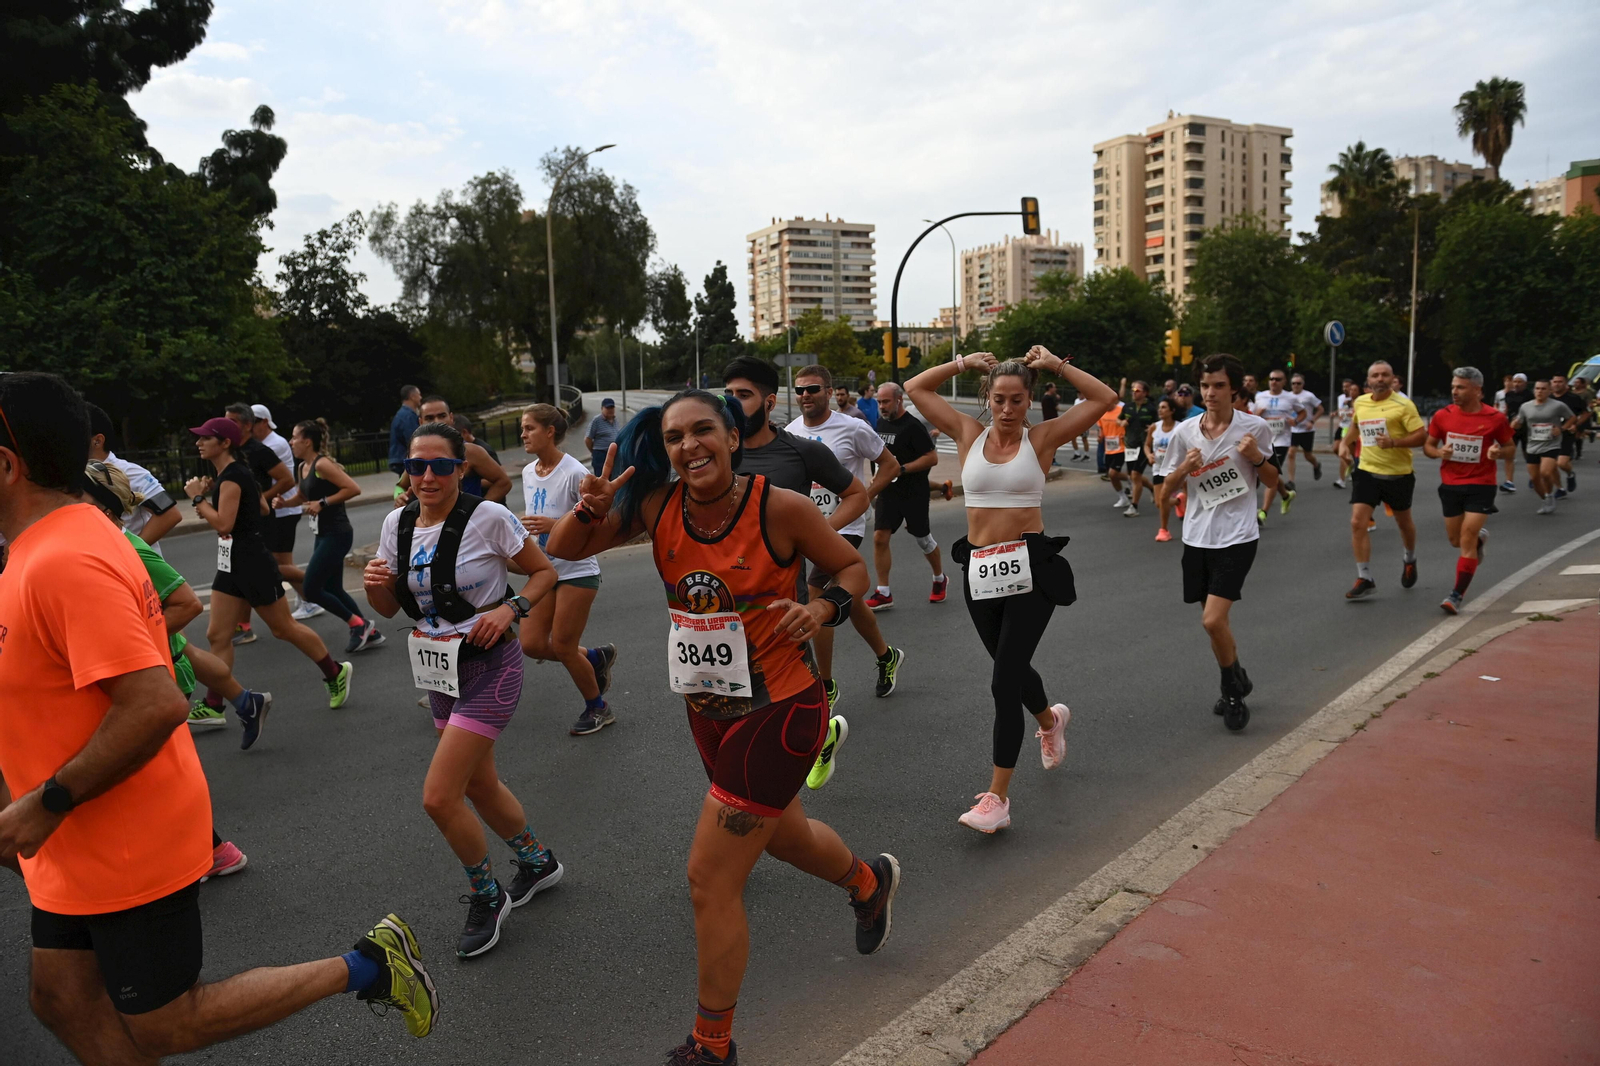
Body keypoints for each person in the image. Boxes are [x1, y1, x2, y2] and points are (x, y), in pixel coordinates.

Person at [0, 372, 437, 1060]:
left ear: (6, 465)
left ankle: (368, 965)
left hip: (121, 841)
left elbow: (154, 703)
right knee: (58, 1000)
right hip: (70, 843)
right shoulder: (46, 545)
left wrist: (44, 803)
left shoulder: (62, 559)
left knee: (166, 1023)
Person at [547, 390, 901, 1066]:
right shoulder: (657, 506)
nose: (689, 446)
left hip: (781, 709)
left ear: (733, 438)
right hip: (707, 708)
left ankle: (712, 1047)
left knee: (710, 878)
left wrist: (822, 609)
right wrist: (590, 506)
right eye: (676, 437)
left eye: (704, 431)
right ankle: (867, 883)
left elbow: (851, 567)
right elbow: (563, 550)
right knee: (786, 838)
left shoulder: (780, 507)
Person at [364, 421, 564, 958]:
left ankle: (487, 893)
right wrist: (375, 590)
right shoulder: (395, 524)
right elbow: (388, 609)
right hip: (438, 671)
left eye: (441, 466)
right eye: (416, 466)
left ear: (461, 469)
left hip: (491, 665)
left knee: (439, 796)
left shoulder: (488, 518)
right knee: (479, 784)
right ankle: (537, 861)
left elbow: (543, 575)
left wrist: (510, 608)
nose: (427, 476)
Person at [907, 347, 1114, 830]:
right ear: (987, 397)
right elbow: (917, 389)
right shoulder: (966, 433)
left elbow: (1103, 397)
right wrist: (962, 363)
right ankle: (1050, 720)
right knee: (1011, 669)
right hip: (979, 569)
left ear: (1028, 401)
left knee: (1003, 682)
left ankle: (996, 799)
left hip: (1030, 569)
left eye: (1017, 400)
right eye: (999, 399)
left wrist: (1057, 365)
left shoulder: (1041, 438)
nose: (1006, 410)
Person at [79, 461, 260, 879]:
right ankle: (208, 850)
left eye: (78, 495)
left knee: (153, 774)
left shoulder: (132, 549)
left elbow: (188, 604)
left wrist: (136, 644)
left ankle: (213, 851)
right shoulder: (104, 546)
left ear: (104, 506)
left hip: (164, 678)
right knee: (153, 773)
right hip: (159, 671)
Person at [184, 416, 355, 713]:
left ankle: (335, 672)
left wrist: (199, 499)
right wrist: (217, 499)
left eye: (205, 438)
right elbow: (261, 508)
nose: (198, 443)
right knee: (217, 635)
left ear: (225, 443)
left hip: (250, 561)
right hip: (231, 562)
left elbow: (224, 523)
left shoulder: (233, 476)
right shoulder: (235, 474)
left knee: (283, 628)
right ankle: (214, 705)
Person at [1154, 354, 1278, 731]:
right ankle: (1237, 674)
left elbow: (1273, 481)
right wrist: (1183, 469)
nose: (1210, 392)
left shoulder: (1254, 428)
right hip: (1196, 537)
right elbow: (1164, 490)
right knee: (1214, 626)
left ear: (1235, 388)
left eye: (1219, 385)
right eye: (1205, 385)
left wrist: (1256, 459)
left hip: (1239, 536)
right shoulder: (1185, 432)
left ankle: (1232, 692)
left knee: (1213, 619)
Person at [788, 365, 907, 712]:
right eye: (799, 390)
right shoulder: (791, 432)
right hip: (805, 529)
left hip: (844, 527)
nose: (805, 395)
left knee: (816, 596)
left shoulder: (852, 427)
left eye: (812, 389)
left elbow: (891, 466)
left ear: (829, 391)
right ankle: (887, 657)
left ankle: (825, 685)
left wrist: (863, 496)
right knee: (847, 599)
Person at [518, 403, 619, 736]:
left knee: (562, 645)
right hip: (544, 569)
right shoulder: (527, 472)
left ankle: (598, 708)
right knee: (530, 643)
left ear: (550, 432)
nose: (523, 434)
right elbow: (536, 515)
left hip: (577, 569)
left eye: (529, 428)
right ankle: (592, 657)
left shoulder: (575, 472)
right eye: (522, 428)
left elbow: (595, 523)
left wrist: (555, 523)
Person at [290, 419, 385, 653]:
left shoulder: (322, 465)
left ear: (307, 441)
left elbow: (353, 488)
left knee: (311, 588)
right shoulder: (302, 466)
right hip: (321, 534)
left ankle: (358, 625)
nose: (291, 442)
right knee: (333, 589)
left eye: (294, 437)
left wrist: (323, 503)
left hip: (337, 533)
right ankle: (369, 632)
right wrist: (283, 503)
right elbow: (304, 495)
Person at [1423, 368, 1513, 614]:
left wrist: (1498, 452)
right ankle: (1480, 539)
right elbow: (1428, 447)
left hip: (1481, 485)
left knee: (1466, 538)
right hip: (1451, 484)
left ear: (1477, 390)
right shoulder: (1443, 416)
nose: (1454, 391)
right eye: (1453, 386)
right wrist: (1439, 452)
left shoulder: (1495, 418)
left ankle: (1456, 595)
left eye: (1461, 387)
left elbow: (1510, 448)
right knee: (1455, 540)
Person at [1338, 361, 1426, 599]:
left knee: (1403, 522)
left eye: (1385, 375)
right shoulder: (1361, 402)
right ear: (1368, 381)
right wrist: (1345, 444)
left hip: (1398, 474)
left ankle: (1409, 558)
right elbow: (1355, 426)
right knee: (1357, 522)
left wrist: (1394, 442)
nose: (1380, 379)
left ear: (1391, 378)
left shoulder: (1403, 405)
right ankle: (1365, 577)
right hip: (1367, 471)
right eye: (1375, 375)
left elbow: (1421, 435)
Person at [865, 382, 947, 610]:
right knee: (879, 537)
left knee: (923, 539)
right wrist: (876, 476)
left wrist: (901, 469)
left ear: (899, 400)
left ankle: (940, 578)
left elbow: (932, 458)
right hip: (888, 492)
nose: (881, 406)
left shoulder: (913, 426)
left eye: (886, 401)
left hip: (914, 492)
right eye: (879, 402)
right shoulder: (881, 423)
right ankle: (884, 592)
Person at [222, 402, 299, 642]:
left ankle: (320, 584)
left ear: (247, 425)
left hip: (260, 524)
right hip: (239, 527)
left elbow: (287, 479)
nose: (227, 426)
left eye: (232, 421)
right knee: (242, 571)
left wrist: (258, 501)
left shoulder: (259, 450)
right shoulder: (232, 451)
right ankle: (243, 625)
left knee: (267, 569)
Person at [85, 402, 181, 553]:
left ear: (97, 440)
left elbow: (170, 514)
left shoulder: (131, 473)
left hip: (139, 569)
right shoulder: (74, 475)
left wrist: (131, 551)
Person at [252, 404, 315, 619]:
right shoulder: (264, 443)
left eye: (251, 423)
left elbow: (282, 479)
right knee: (279, 562)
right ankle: (309, 596)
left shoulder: (274, 444)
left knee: (282, 563)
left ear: (262, 422)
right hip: (278, 510)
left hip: (284, 510)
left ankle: (313, 595)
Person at [400, 396, 511, 503]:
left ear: (451, 418)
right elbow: (400, 486)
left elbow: (503, 482)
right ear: (420, 422)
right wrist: (399, 497)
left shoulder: (471, 451)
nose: (437, 421)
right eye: (429, 418)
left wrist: (477, 511)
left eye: (442, 416)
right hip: (428, 520)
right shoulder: (417, 453)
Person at [1510, 379, 1569, 514]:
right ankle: (1546, 499)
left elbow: (1571, 418)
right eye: (1537, 389)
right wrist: (1515, 425)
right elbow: (1519, 421)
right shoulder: (1526, 406)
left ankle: (1549, 493)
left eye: (1543, 389)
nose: (1539, 391)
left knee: (1546, 472)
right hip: (1532, 445)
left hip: (1551, 444)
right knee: (1535, 479)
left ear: (1549, 391)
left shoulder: (1558, 405)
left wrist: (1561, 428)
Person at [1251, 370, 1297, 521]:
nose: (1274, 382)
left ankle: (1263, 512)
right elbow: (1252, 418)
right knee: (1268, 473)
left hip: (1281, 441)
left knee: (1272, 474)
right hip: (1262, 440)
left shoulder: (1291, 397)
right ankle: (1285, 495)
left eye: (1278, 379)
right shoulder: (1260, 396)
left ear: (1284, 382)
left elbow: (1302, 412)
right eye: (1271, 379)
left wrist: (1295, 421)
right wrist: (1259, 413)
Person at [1118, 380, 1159, 517]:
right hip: (1130, 445)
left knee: (1135, 475)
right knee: (1134, 476)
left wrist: (1153, 428)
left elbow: (1160, 424)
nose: (1134, 392)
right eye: (1132, 390)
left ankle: (1134, 506)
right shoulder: (1127, 407)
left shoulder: (1152, 408)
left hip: (1144, 446)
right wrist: (1121, 422)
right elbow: (1119, 419)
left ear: (1145, 393)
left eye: (1137, 390)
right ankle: (1152, 488)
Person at [1147, 397, 1181, 542]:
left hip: (1175, 469)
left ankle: (1164, 530)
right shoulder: (1154, 427)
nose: (1160, 410)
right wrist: (1149, 455)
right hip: (1158, 468)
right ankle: (1179, 502)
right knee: (1159, 503)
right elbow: (1146, 444)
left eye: (1164, 407)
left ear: (1172, 411)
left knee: (1163, 498)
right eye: (1159, 407)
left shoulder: (1180, 427)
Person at [1549, 373, 1590, 493]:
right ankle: (1559, 488)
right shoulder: (1548, 398)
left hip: (1566, 433)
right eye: (1555, 381)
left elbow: (1586, 413)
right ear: (1551, 383)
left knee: (1561, 463)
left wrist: (1576, 425)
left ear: (1566, 384)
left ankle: (1570, 474)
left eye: (1560, 382)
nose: (1557, 384)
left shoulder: (1573, 398)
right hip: (1548, 434)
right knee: (1550, 464)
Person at [1286, 374, 1324, 485]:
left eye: (1299, 383)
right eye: (1293, 383)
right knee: (1291, 453)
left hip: (1306, 430)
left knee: (1307, 455)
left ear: (1303, 384)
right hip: (1293, 430)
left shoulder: (1309, 396)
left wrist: (1312, 421)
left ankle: (1316, 465)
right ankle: (1291, 481)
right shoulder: (1287, 396)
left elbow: (1321, 409)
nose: (1296, 385)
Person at [1499, 373, 1532, 492]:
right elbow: (1507, 410)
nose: (1517, 384)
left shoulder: (1530, 395)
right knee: (1509, 454)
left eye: (1520, 382)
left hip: (1527, 428)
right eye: (1515, 382)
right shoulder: (1509, 394)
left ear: (1525, 383)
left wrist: (1521, 420)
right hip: (1511, 427)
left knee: (1527, 454)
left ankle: (1534, 476)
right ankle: (1509, 482)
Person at [1098, 399, 1128, 505]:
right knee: (1112, 476)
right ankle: (1123, 496)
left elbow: (1129, 423)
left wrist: (1126, 434)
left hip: (1121, 447)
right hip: (1109, 449)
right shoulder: (1102, 412)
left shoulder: (1122, 411)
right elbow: (1101, 427)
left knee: (1113, 473)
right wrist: (1100, 436)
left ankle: (1131, 482)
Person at [390, 384, 422, 478]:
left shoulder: (401, 414)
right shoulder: (408, 416)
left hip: (399, 459)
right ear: (412, 396)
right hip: (406, 460)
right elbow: (413, 439)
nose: (421, 397)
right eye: (419, 394)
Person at [1332, 379, 1359, 488]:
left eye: (1349, 387)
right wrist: (1336, 413)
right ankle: (1352, 466)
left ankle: (1341, 480)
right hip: (1342, 426)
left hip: (1351, 428)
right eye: (1344, 386)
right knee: (1336, 449)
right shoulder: (1341, 398)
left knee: (1343, 453)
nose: (1346, 389)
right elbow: (1341, 410)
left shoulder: (1359, 401)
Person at [586, 398, 621, 474]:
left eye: (612, 407)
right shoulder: (596, 420)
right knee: (601, 478)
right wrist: (594, 451)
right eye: (607, 408)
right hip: (601, 455)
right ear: (602, 409)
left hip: (614, 455)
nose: (610, 410)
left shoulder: (615, 420)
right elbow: (588, 439)